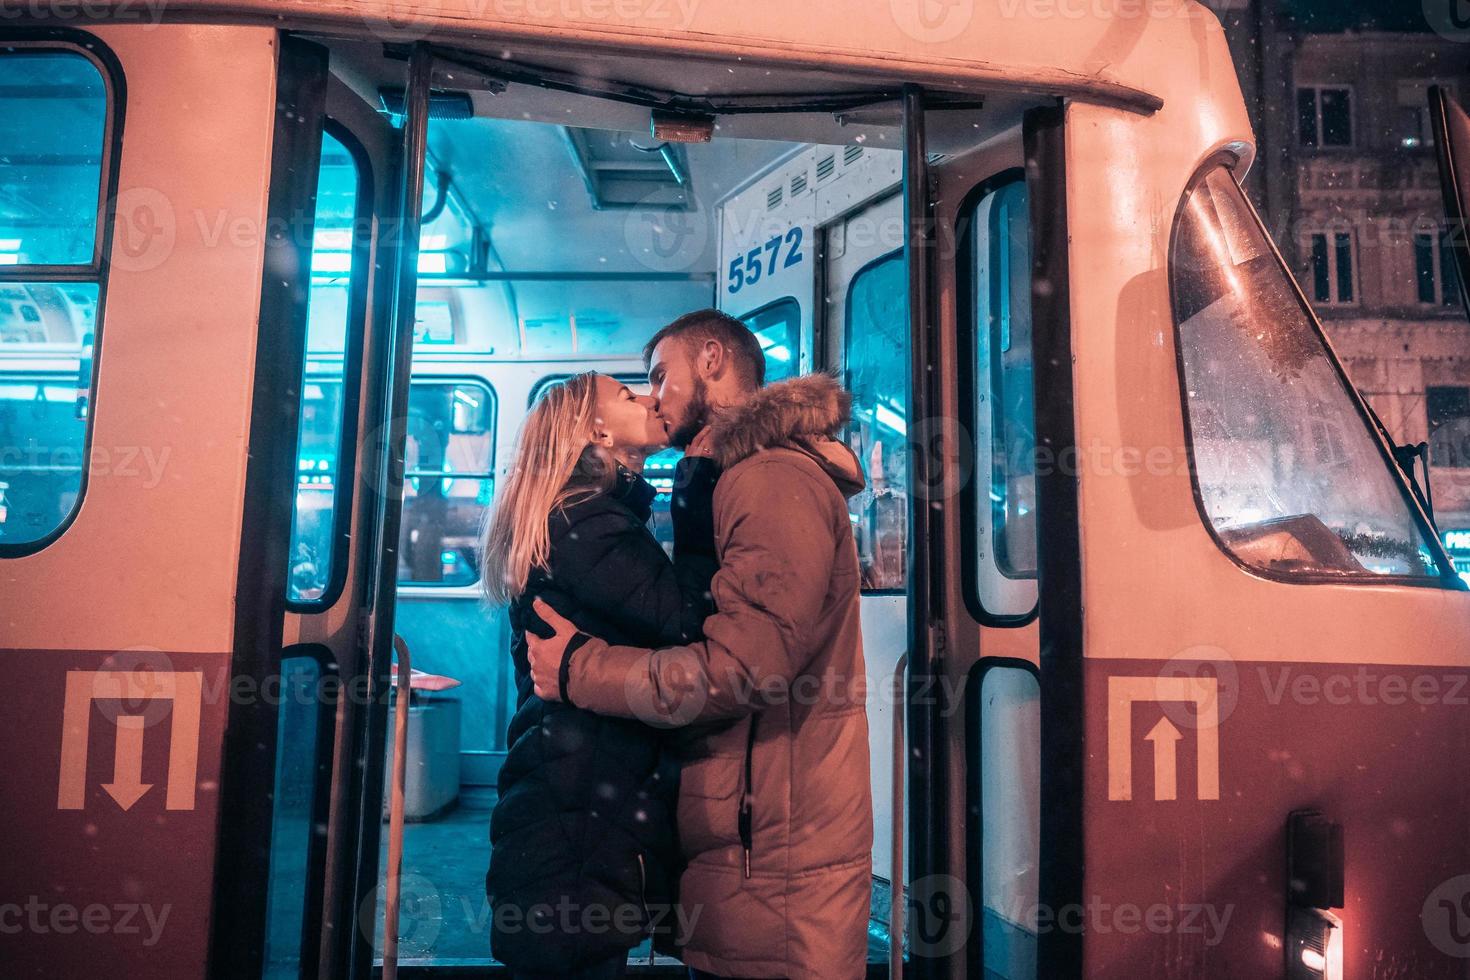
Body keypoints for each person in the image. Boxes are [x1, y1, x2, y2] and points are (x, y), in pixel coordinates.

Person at [527, 309, 873, 980]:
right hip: (752, 834)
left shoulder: (768, 478)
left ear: (710, 359)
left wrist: (581, 669)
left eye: (659, 376)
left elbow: (743, 669)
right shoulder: (731, 476)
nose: (654, 397)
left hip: (773, 846)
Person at [481, 372, 720, 979]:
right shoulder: (586, 520)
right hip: (582, 803)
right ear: (597, 429)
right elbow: (688, 619)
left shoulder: (586, 515)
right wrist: (696, 484)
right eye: (628, 395)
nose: (650, 399)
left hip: (573, 788)